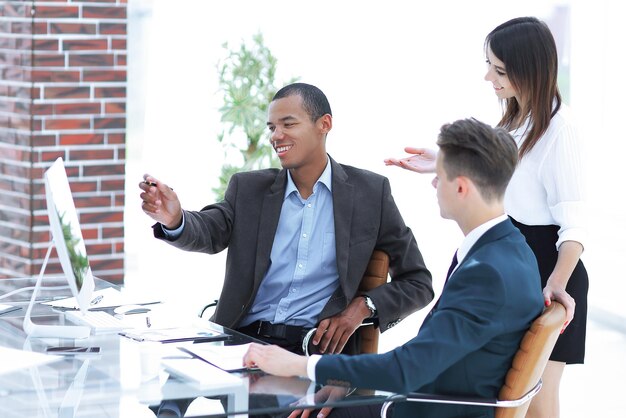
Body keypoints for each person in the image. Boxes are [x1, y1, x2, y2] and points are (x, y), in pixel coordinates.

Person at [243, 117, 545, 418]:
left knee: (282, 409)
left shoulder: (486, 273)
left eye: (439, 175)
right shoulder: (513, 249)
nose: (434, 182)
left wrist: (297, 364)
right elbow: (429, 355)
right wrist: (346, 378)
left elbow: (407, 369)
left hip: (421, 411)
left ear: (462, 188)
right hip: (424, 399)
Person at [384, 17, 588, 418]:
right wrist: (443, 163)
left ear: (529, 69)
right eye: (489, 66)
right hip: (512, 260)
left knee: (535, 405)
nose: (487, 77)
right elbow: (503, 180)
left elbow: (575, 225)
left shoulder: (559, 131)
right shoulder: (514, 121)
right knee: (503, 394)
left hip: (547, 268)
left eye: (499, 69)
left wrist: (557, 284)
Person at [139, 82, 433, 356]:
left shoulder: (370, 193)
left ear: (324, 125)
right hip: (239, 343)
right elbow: (210, 230)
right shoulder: (248, 188)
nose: (275, 136)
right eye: (272, 127)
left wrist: (363, 307)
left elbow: (418, 282)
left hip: (311, 351)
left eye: (288, 124)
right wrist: (175, 218)